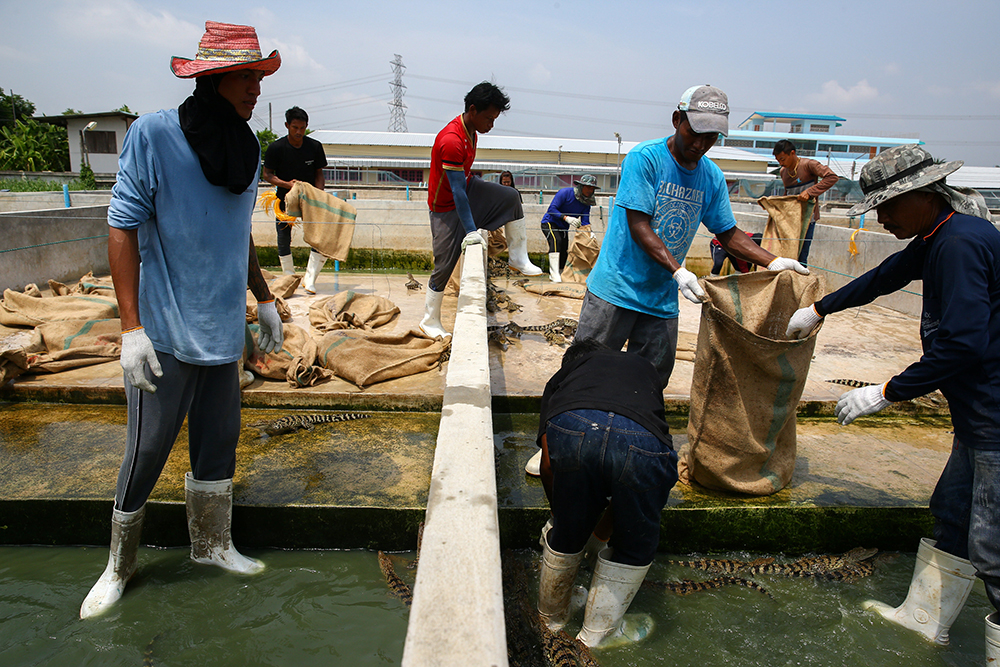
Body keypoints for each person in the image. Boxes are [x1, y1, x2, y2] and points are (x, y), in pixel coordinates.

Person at [80, 21, 285, 619]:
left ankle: (213, 546)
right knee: (146, 452)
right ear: (215, 79)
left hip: (225, 330)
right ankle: (117, 567)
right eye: (246, 77)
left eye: (258, 76)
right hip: (166, 331)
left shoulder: (246, 148)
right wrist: (130, 328)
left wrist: (264, 299)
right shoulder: (154, 135)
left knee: (218, 446)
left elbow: (237, 232)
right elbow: (121, 225)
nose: (254, 89)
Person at [785, 144, 999, 656]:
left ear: (922, 196)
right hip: (976, 418)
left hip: (995, 418)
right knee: (950, 512)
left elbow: (964, 342)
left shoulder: (961, 245)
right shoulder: (938, 234)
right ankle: (925, 619)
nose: (880, 218)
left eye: (886, 206)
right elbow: (885, 277)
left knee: (992, 548)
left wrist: (888, 391)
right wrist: (821, 308)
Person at [577, 84, 808, 389]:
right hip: (615, 290)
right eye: (694, 132)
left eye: (710, 137)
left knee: (648, 384)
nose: (700, 144)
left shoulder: (711, 177)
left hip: (660, 300)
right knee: (585, 374)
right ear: (677, 120)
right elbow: (639, 225)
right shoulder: (645, 158)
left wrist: (774, 261)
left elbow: (727, 233)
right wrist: (679, 271)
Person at [535, 338, 677, 648]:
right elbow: (634, 465)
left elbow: (547, 464)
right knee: (635, 542)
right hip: (642, 442)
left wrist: (561, 517)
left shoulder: (564, 377)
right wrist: (603, 536)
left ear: (571, 363)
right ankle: (598, 635)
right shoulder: (644, 369)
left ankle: (550, 621)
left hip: (575, 427)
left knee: (567, 530)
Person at [421, 82, 542, 338]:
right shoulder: (451, 140)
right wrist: (469, 231)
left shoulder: (472, 131)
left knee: (510, 196)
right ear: (472, 110)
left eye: (495, 119)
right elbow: (456, 192)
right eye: (489, 118)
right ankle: (429, 320)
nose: (491, 125)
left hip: (467, 188)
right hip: (444, 207)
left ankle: (518, 257)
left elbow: (463, 185)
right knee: (444, 266)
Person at [262, 106, 328, 291]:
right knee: (283, 238)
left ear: (306, 126)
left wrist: (319, 195)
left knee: (319, 237)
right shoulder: (276, 147)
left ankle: (310, 279)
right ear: (287, 126)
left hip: (309, 200)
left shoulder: (314, 147)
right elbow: (268, 174)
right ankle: (288, 277)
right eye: (295, 128)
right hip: (284, 199)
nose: (299, 132)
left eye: (302, 128)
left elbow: (319, 175)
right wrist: (288, 185)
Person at [772, 139, 839, 265]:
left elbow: (832, 177)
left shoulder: (809, 165)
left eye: (783, 159)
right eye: (778, 160)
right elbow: (788, 194)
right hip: (790, 219)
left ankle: (800, 282)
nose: (781, 163)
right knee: (786, 254)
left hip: (807, 219)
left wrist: (810, 192)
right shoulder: (783, 172)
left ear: (792, 153)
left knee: (801, 256)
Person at [540, 174, 597, 283]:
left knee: (564, 249)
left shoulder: (586, 203)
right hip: (550, 223)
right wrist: (566, 218)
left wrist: (589, 232)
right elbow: (551, 209)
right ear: (581, 186)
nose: (590, 190)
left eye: (592, 188)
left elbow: (585, 221)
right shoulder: (565, 193)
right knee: (556, 241)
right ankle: (553, 274)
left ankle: (561, 272)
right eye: (588, 187)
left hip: (563, 227)